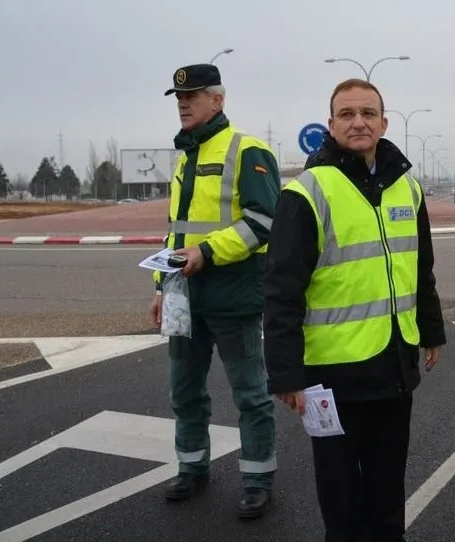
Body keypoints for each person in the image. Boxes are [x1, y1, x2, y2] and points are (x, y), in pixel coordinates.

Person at [262, 78, 447, 542]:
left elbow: (420, 268)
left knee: (387, 497)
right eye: (347, 114)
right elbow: (281, 290)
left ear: (383, 123)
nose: (358, 122)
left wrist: (431, 330)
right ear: (331, 125)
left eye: (368, 113)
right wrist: (285, 373)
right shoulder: (307, 192)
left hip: (394, 367)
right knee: (342, 504)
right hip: (332, 378)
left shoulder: (408, 188)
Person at [149, 63, 280, 519]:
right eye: (179, 98)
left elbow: (264, 222)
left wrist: (206, 252)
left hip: (233, 295)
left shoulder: (247, 149)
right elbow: (176, 230)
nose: (183, 104)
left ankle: (258, 480)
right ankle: (192, 468)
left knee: (250, 394)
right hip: (183, 296)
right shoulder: (185, 156)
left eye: (193, 96)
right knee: (184, 392)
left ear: (217, 100)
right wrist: (162, 286)